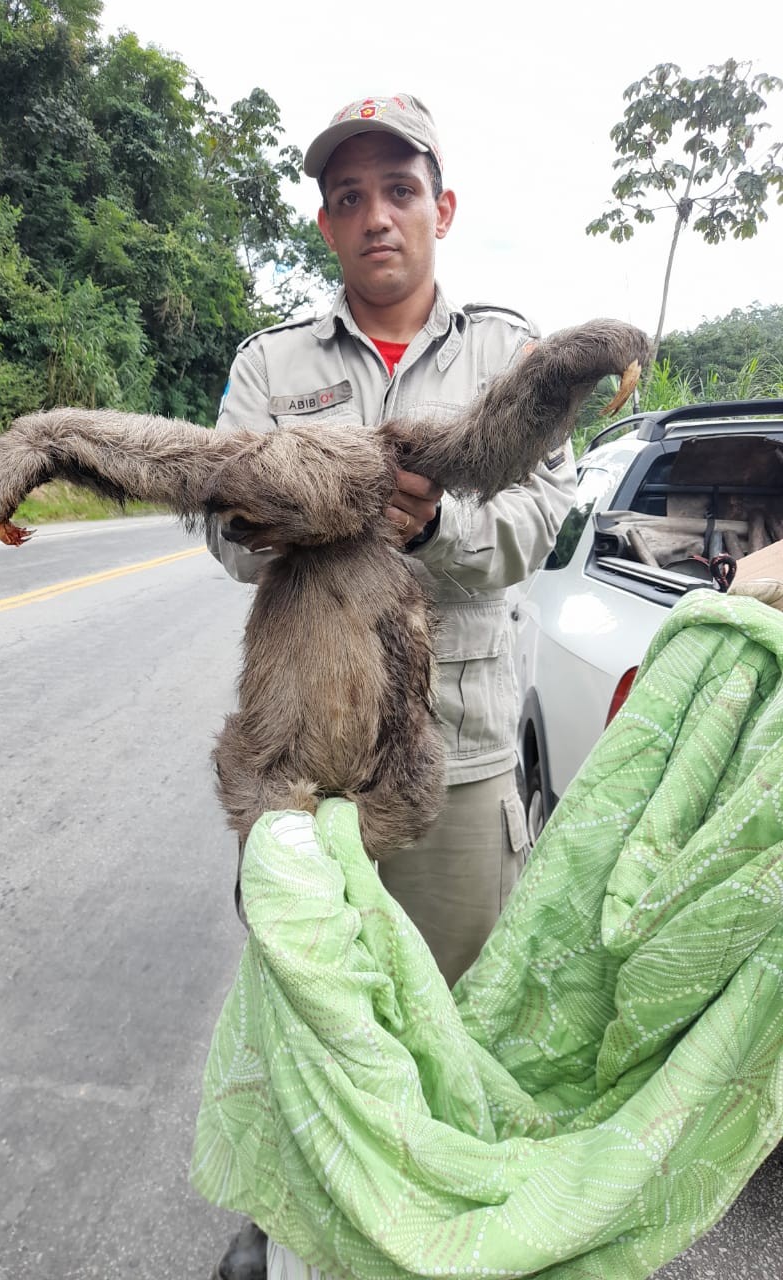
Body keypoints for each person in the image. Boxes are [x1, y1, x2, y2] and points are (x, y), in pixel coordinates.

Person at [208, 93, 576, 1279]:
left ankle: (440, 1241)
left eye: (400, 189)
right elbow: (221, 526)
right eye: (350, 196)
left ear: (443, 207)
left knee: (450, 1015)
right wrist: (274, 512)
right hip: (304, 767)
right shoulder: (272, 363)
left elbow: (539, 521)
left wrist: (434, 531)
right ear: (324, 223)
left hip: (455, 755)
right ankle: (297, 1218)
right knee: (313, 1007)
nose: (377, 215)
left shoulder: (506, 354)